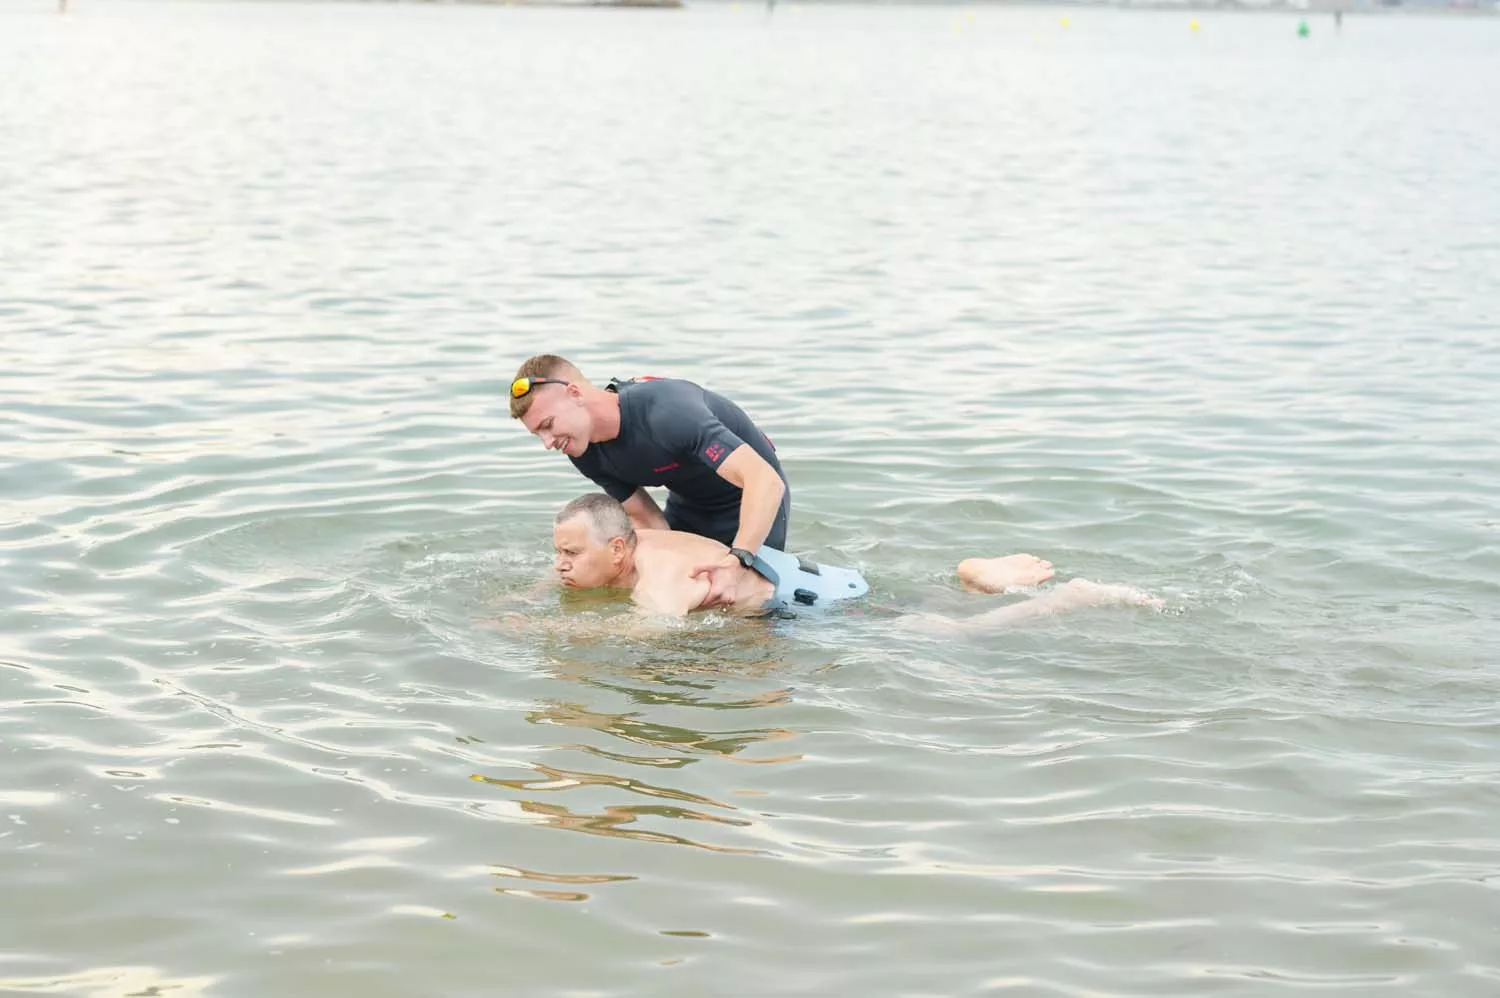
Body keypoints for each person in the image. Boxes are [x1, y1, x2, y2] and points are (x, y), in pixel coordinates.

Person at [546, 493, 1162, 629]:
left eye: (571, 554)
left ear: (618, 548)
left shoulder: (654, 582)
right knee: (922, 600)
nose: (561, 566)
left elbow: (653, 632)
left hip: (828, 608)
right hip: (828, 581)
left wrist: (558, 637)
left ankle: (1071, 595)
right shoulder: (654, 542)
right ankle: (973, 578)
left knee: (952, 633)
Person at [509, 355, 789, 608]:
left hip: (754, 503)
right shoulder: (583, 450)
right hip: (690, 507)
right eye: (538, 434)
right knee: (674, 603)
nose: (547, 443)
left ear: (574, 393)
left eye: (548, 425)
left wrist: (739, 560)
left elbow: (765, 481)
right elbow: (646, 520)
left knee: (740, 607)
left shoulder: (666, 412)